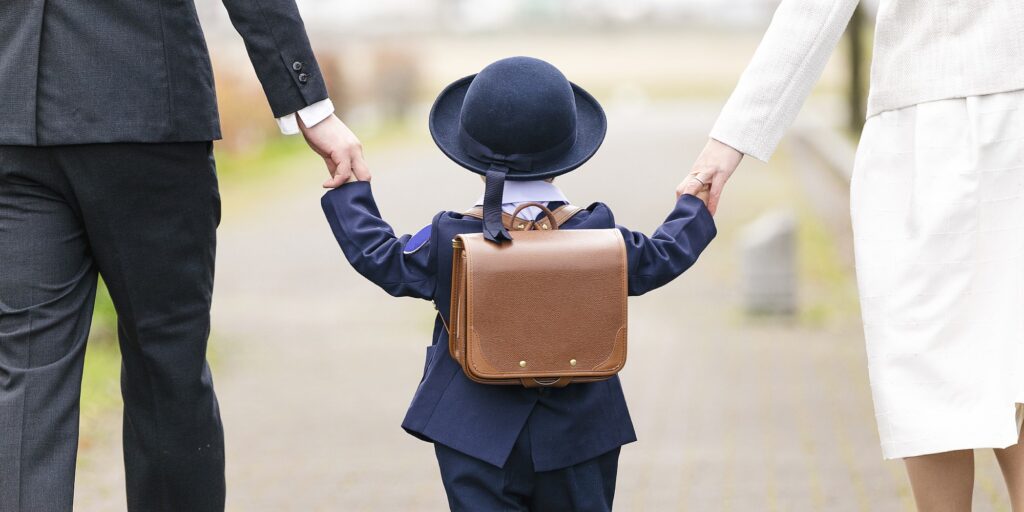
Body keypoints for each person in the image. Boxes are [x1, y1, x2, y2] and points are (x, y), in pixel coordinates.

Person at [0, 2, 364, 511]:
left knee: (27, 377)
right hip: (144, 105)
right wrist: (310, 105)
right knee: (165, 362)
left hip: (16, 110)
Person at [320, 56, 717, 511]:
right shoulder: (599, 235)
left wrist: (350, 192)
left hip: (473, 432)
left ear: (470, 151)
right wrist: (695, 205)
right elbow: (661, 256)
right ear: (566, 152)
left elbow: (383, 257)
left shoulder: (451, 238)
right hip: (580, 436)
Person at [689, 1, 1024, 510]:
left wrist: (726, 143)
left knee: (929, 377)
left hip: (928, 124)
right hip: (968, 110)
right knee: (1000, 368)